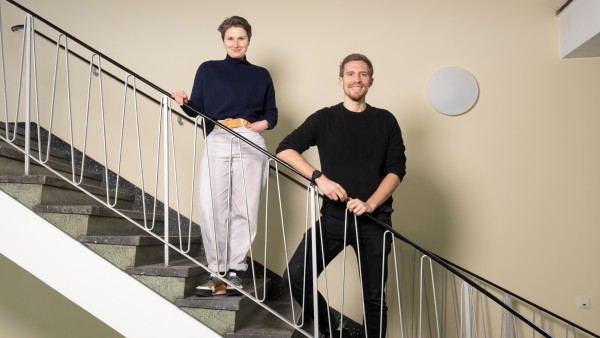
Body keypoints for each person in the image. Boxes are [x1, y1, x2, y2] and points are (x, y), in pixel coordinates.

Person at [276, 53, 406, 337]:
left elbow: (396, 170)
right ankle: (330, 329)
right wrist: (319, 178)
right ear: (340, 80)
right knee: (295, 278)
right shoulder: (325, 118)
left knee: (374, 299)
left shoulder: (386, 120)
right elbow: (285, 149)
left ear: (371, 80)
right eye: (350, 74)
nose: (356, 79)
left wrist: (371, 203)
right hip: (334, 218)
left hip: (376, 223)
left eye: (362, 74)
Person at [172, 16, 278, 297]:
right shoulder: (208, 70)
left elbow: (272, 114)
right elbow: (198, 108)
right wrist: (184, 101)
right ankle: (216, 272)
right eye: (230, 38)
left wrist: (259, 126)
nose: (235, 43)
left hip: (250, 139)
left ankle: (235, 272)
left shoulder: (261, 74)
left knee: (245, 208)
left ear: (248, 40)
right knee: (210, 206)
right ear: (223, 41)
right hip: (218, 138)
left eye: (241, 38)